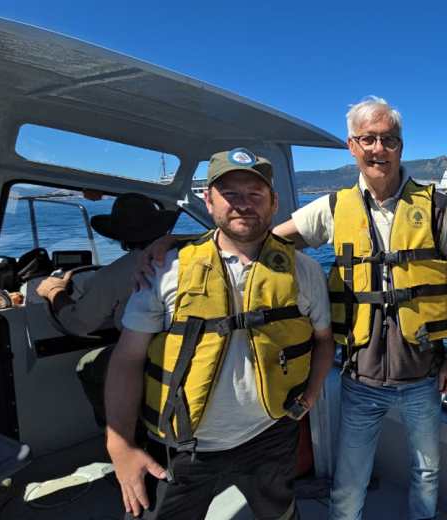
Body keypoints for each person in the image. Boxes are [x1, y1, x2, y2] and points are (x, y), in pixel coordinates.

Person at [104, 148, 335, 520]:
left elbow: (323, 340)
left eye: (255, 194)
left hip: (271, 435)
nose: (243, 204)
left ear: (274, 203)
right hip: (182, 446)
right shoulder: (165, 270)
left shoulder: (304, 271)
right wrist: (120, 446)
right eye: (230, 194)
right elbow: (127, 359)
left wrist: (307, 399)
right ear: (209, 201)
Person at [272, 96, 447, 520]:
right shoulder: (332, 207)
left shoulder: (437, 207)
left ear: (401, 146)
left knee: (427, 473)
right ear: (352, 146)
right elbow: (270, 241)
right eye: (369, 139)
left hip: (424, 375)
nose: (379, 149)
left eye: (389, 140)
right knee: (349, 482)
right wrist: (185, 247)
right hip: (360, 378)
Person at [35, 193, 178, 426]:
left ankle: (124, 429)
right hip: (180, 349)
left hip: (150, 355)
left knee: (88, 365)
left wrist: (54, 291)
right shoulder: (183, 258)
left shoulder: (113, 274)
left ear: (120, 236)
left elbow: (78, 323)